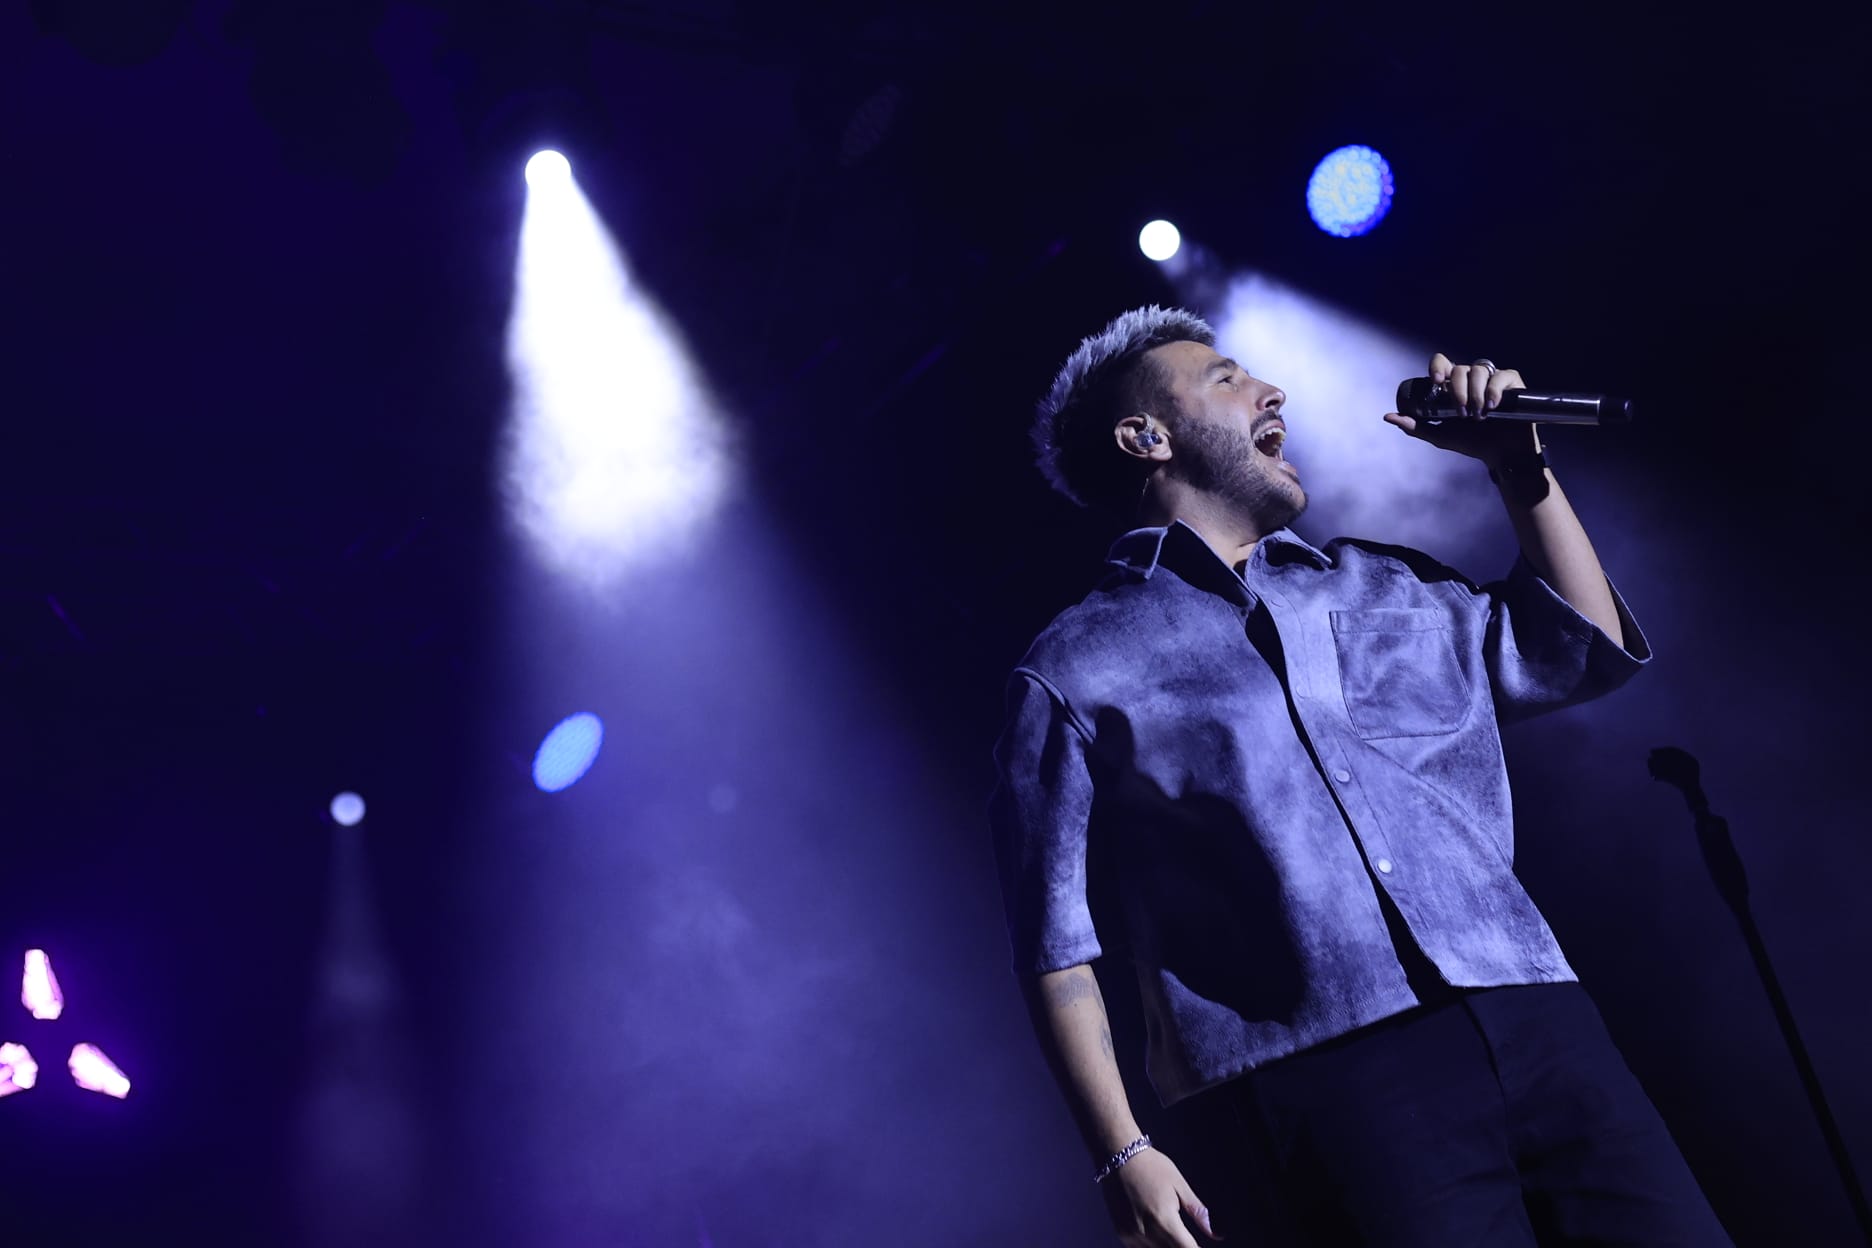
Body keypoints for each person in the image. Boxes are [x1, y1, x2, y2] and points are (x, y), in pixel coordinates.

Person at [988, 306, 1731, 1246]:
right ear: (1147, 438)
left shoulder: (1380, 582)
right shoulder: (1076, 665)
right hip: (1330, 1079)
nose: (1272, 391)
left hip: (1535, 1010)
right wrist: (1120, 1150)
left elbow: (1581, 646)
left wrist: (1518, 467)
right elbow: (1054, 944)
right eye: (1226, 378)